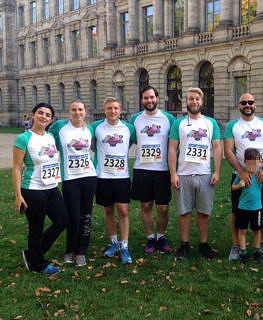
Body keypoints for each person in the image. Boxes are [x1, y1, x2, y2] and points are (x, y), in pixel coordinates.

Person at [13, 103, 68, 274]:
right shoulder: (24, 138)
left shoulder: (51, 136)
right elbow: (16, 167)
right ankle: (38, 264)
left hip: (52, 188)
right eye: (40, 113)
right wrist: (18, 195)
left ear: (51, 119)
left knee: (62, 221)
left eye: (47, 114)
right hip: (33, 189)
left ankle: (32, 254)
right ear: (33, 115)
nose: (43, 116)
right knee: (36, 228)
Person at [168, 87, 222, 260]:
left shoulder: (211, 123)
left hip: (205, 175)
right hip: (183, 175)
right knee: (184, 212)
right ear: (187, 102)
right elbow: (172, 149)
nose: (194, 101)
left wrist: (217, 171)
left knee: (204, 212)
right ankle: (184, 244)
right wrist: (173, 173)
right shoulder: (179, 123)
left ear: (202, 101)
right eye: (191, 99)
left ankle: (203, 244)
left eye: (197, 99)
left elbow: (217, 148)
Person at [224, 93, 263, 260]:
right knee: (236, 211)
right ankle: (236, 245)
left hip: (261, 176)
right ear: (239, 105)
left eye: (250, 102)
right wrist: (241, 172)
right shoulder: (232, 126)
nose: (247, 105)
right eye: (244, 102)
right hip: (240, 175)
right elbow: (228, 151)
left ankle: (261, 242)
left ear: (255, 104)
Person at [49, 100, 97, 267]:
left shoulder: (90, 128)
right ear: (69, 111)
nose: (77, 113)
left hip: (89, 176)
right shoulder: (59, 127)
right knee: (73, 217)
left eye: (80, 110)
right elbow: (47, 140)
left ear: (85, 111)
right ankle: (70, 249)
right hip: (70, 179)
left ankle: (82, 251)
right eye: (74, 110)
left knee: (86, 217)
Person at [129, 86, 175, 254]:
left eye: (152, 97)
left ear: (157, 98)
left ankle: (161, 236)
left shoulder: (168, 118)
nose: (149, 101)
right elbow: (131, 139)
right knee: (146, 205)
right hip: (142, 169)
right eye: (145, 98)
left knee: (163, 208)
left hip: (162, 170)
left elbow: (175, 142)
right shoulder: (135, 119)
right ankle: (150, 238)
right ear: (142, 100)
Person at [92, 97, 136, 263]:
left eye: (116, 108)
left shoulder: (128, 128)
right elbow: (90, 143)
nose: (113, 111)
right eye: (109, 108)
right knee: (108, 210)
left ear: (121, 110)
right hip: (103, 176)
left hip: (121, 176)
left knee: (123, 210)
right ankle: (114, 242)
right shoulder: (96, 127)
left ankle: (124, 245)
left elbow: (134, 142)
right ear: (105, 110)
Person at [232, 148, 263, 264]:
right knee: (243, 230)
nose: (252, 166)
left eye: (254, 163)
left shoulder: (260, 174)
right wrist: (239, 185)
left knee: (257, 230)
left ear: (259, 162)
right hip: (243, 208)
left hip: (257, 208)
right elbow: (233, 187)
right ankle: (243, 251)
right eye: (249, 164)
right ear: (244, 162)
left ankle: (257, 250)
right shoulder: (242, 175)